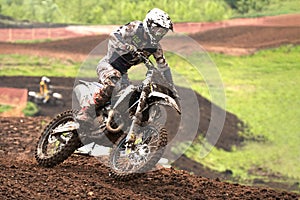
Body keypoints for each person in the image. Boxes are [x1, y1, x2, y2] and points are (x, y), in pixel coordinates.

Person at [75, 8, 175, 124]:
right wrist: (127, 47)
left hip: (123, 74)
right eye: (157, 29)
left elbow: (164, 67)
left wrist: (171, 88)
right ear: (149, 24)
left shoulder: (155, 48)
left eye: (163, 32)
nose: (159, 34)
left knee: (130, 100)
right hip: (108, 65)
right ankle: (86, 112)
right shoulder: (135, 28)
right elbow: (114, 36)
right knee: (112, 82)